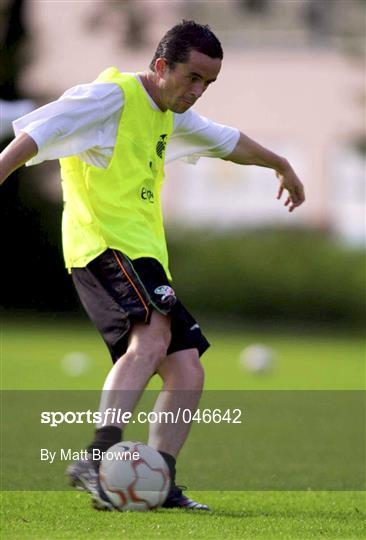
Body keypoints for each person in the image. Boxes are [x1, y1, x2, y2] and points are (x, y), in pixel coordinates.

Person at [0, 20, 305, 511]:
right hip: (102, 245)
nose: (199, 91)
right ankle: (96, 457)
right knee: (154, 336)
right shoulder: (110, 97)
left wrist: (282, 165)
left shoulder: (170, 113)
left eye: (209, 83)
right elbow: (40, 131)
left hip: (143, 256)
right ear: (162, 66)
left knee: (187, 370)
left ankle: (155, 483)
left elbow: (229, 141)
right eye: (193, 77)